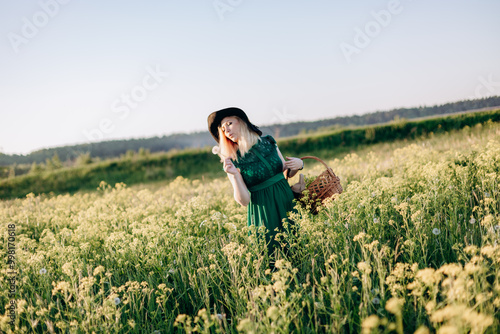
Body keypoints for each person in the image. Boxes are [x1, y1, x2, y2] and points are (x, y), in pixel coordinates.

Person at [207, 107, 304, 259]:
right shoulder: (232, 160)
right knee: (274, 256)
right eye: (223, 130)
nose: (227, 131)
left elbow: (285, 171)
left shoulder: (269, 142)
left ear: (243, 122)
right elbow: (244, 201)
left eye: (229, 124)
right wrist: (234, 175)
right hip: (264, 211)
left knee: (300, 249)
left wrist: (299, 165)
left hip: (286, 201)